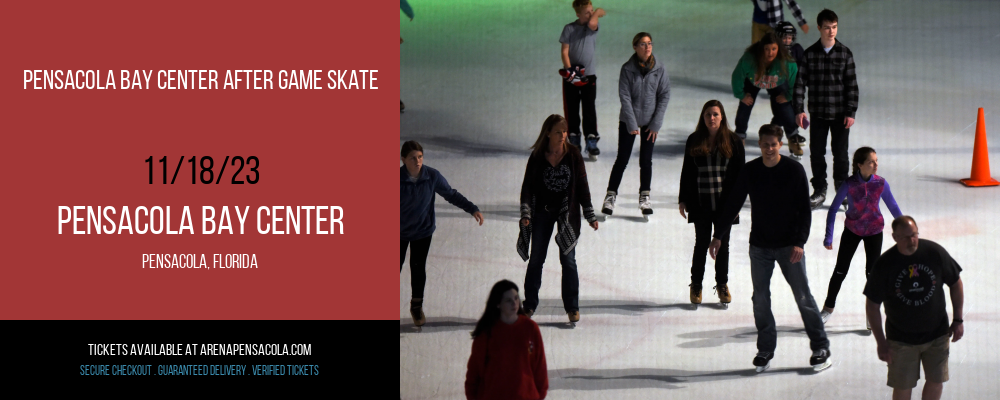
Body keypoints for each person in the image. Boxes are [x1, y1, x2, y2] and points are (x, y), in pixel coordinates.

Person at [709, 124, 830, 373]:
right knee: (760, 299)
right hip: (761, 246)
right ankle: (765, 349)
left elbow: (804, 211)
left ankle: (820, 346)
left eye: (774, 144)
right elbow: (733, 203)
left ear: (781, 145)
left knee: (803, 296)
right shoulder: (750, 171)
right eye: (765, 144)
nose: (769, 148)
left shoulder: (794, 171)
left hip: (789, 247)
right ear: (760, 144)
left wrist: (800, 242)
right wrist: (718, 235)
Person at [864, 216, 964, 400]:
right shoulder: (885, 265)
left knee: (936, 380)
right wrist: (881, 341)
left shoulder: (934, 253)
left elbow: (956, 282)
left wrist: (958, 320)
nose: (912, 241)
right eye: (905, 237)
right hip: (901, 340)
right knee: (903, 386)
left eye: (914, 235)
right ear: (894, 237)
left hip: (937, 335)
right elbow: (872, 306)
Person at [518, 115, 598, 323]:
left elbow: (582, 185)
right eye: (558, 132)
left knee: (568, 260)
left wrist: (589, 214)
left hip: (566, 214)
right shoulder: (537, 156)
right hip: (542, 213)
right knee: (536, 259)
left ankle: (572, 306)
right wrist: (526, 214)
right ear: (548, 133)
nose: (563, 135)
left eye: (564, 131)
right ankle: (529, 305)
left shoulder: (573, 155)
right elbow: (527, 187)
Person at [400, 141, 484, 326]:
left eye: (420, 157)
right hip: (399, 232)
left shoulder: (432, 176)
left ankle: (416, 306)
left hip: (423, 231)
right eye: (413, 158)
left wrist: (472, 209)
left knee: (418, 268)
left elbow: (451, 194)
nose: (417, 161)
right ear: (403, 159)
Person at [820, 147, 903, 326]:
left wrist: (905, 229)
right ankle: (828, 308)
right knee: (840, 270)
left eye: (876, 160)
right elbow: (833, 209)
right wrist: (829, 236)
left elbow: (893, 207)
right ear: (860, 165)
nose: (876, 165)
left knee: (872, 274)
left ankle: (871, 313)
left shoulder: (880, 183)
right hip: (853, 230)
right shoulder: (849, 184)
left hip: (874, 232)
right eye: (871, 162)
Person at [678, 100, 745, 305]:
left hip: (725, 205)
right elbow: (687, 171)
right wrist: (683, 199)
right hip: (701, 202)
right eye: (708, 114)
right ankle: (696, 284)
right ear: (703, 117)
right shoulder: (695, 139)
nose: (712, 118)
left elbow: (741, 177)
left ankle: (722, 284)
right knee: (701, 244)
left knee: (722, 245)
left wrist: (736, 206)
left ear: (722, 116)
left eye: (715, 114)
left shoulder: (733, 141)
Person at [793, 9, 859, 209]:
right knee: (816, 153)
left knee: (841, 153)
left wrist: (850, 111)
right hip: (819, 113)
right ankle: (820, 189)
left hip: (840, 115)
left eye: (834, 27)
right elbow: (799, 83)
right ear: (819, 28)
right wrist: (799, 109)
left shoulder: (845, 53)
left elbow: (852, 85)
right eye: (827, 28)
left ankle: (842, 188)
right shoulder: (810, 54)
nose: (831, 31)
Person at [602, 32, 671, 219]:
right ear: (635, 47)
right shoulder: (627, 69)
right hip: (628, 119)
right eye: (643, 44)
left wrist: (656, 123)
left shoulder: (659, 68)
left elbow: (664, 95)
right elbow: (624, 96)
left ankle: (645, 197)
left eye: (650, 43)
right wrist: (631, 123)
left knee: (646, 160)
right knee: (622, 159)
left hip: (650, 121)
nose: (647, 47)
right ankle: (610, 196)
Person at [465, 280, 548, 400]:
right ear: (498, 304)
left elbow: (540, 367)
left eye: (516, 298)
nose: (514, 303)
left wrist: (538, 395)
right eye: (508, 300)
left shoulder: (530, 328)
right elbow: (474, 372)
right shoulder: (487, 332)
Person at [730, 32, 803, 159]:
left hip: (777, 83)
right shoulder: (749, 58)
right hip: (753, 81)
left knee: (785, 105)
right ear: (761, 49)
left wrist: (788, 95)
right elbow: (736, 76)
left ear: (779, 49)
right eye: (767, 49)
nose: (770, 53)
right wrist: (741, 95)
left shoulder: (787, 61)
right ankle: (739, 136)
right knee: (745, 105)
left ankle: (793, 136)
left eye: (774, 49)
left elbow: (796, 81)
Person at [559, 0, 605, 158]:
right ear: (577, 14)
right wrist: (569, 71)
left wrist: (597, 12)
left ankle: (591, 138)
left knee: (589, 108)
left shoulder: (591, 28)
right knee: (572, 107)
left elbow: (592, 22)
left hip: (589, 76)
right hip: (571, 76)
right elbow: (565, 51)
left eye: (591, 11)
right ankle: (574, 138)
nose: (591, 14)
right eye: (587, 12)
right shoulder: (569, 28)